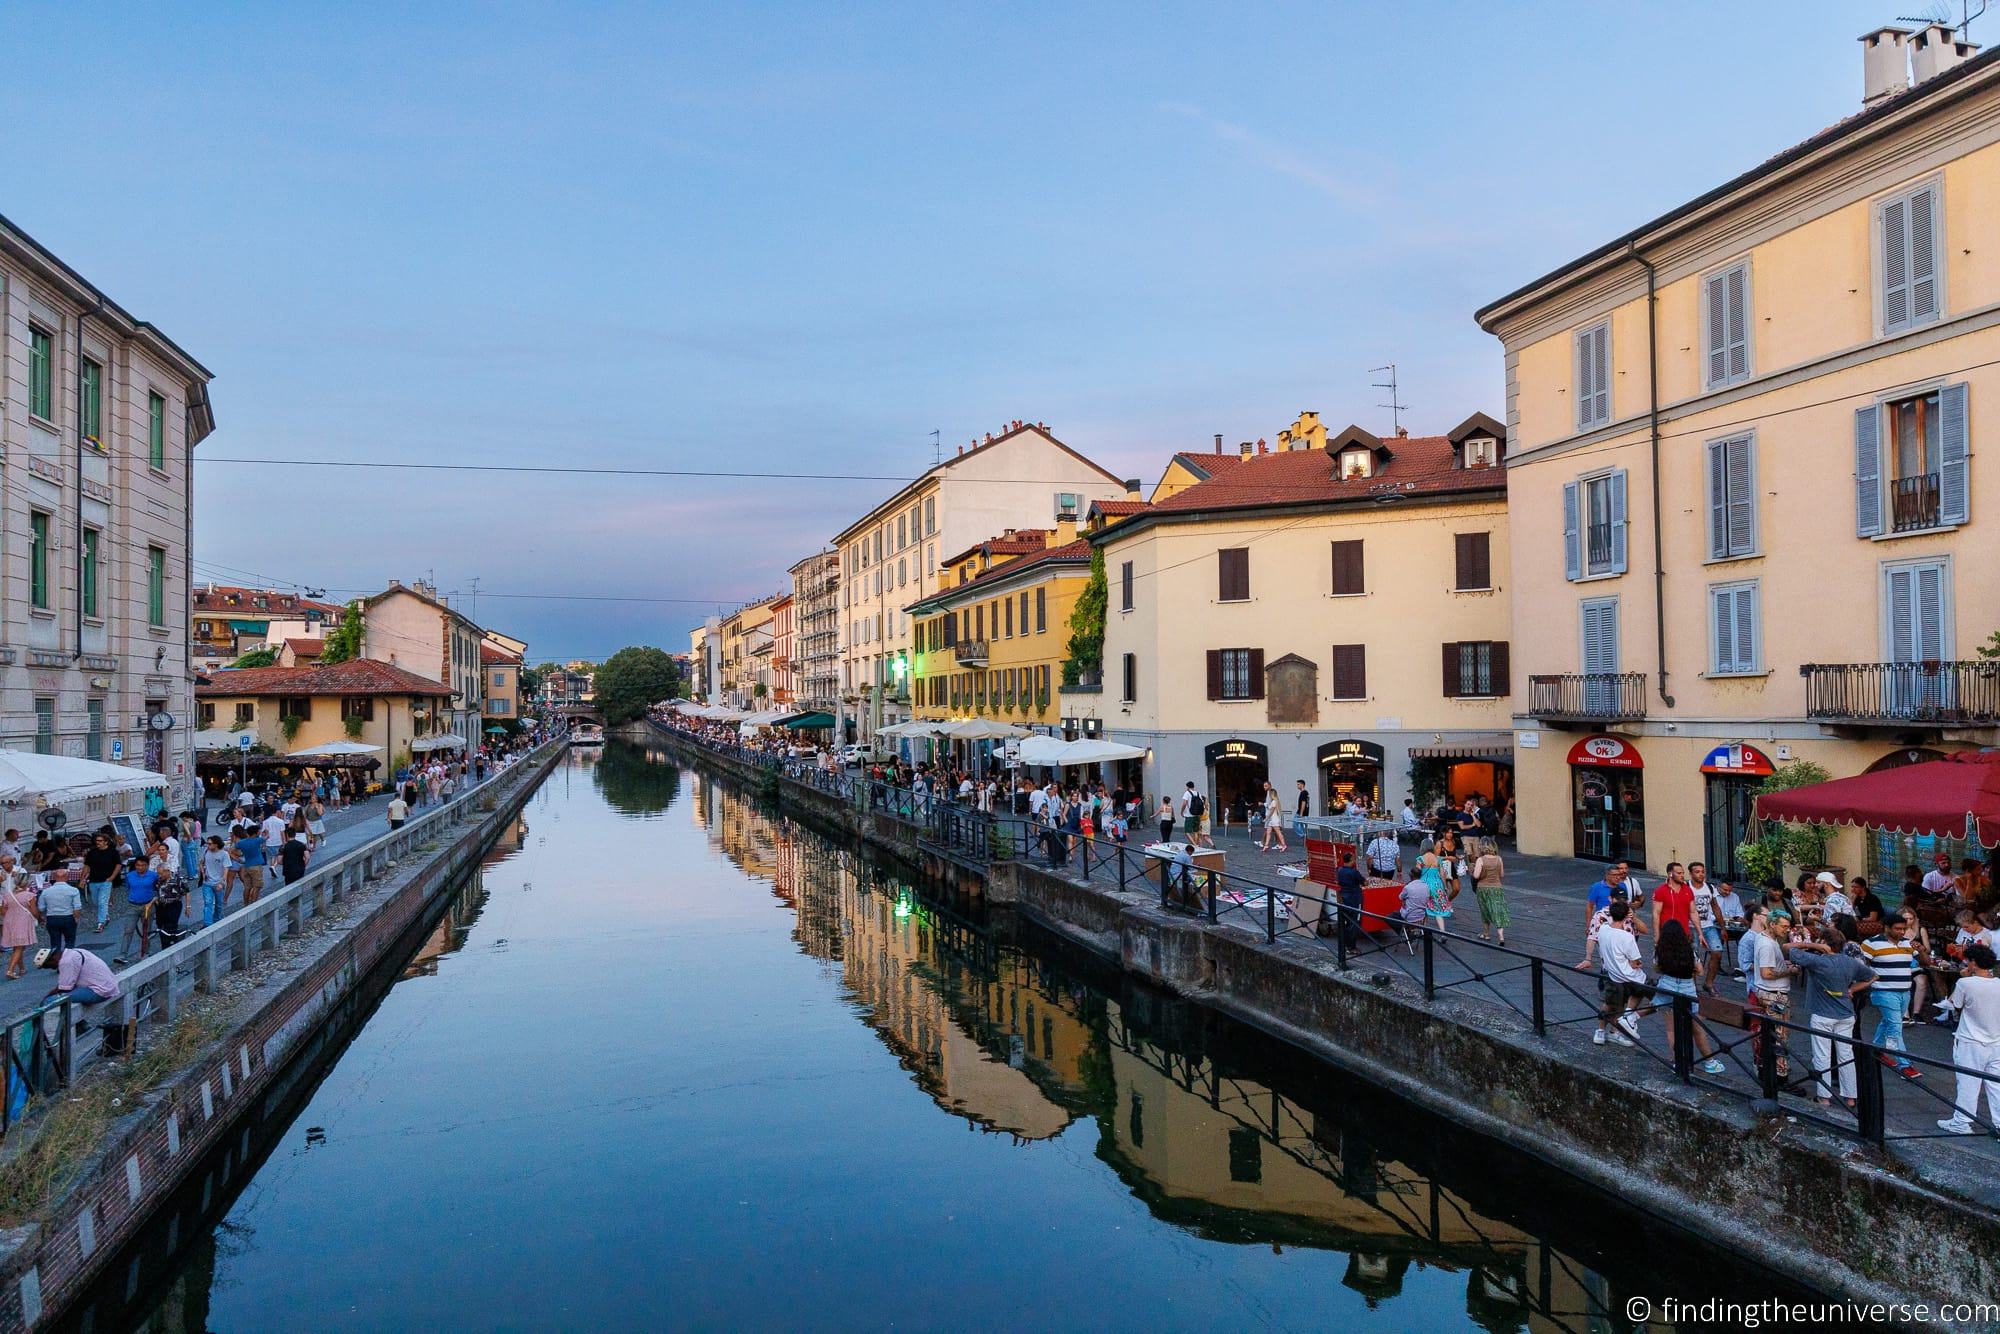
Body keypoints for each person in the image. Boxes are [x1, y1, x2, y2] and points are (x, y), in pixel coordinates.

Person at [1787, 926, 1876, 1109]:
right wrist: (1851, 989)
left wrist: (1813, 944)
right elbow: (1873, 976)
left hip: (1822, 1014)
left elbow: (1788, 948)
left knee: (1822, 1056)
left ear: (1824, 943)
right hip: (1846, 1014)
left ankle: (1824, 1096)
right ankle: (1851, 1097)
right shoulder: (1850, 962)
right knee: (1846, 1055)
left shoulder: (1817, 961)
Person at [1937, 943, 2000, 1134]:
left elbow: (1955, 1004)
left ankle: (1962, 1121)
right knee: (1996, 1085)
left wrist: (1963, 978)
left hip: (1970, 1040)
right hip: (1996, 1040)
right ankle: (1998, 1123)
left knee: (1967, 1083)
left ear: (1973, 962)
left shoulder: (1965, 983)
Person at [1654, 920, 1725, 1074]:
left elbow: (1657, 968)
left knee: (1672, 1030)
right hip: (1687, 987)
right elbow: (1700, 971)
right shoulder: (1689, 950)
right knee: (1697, 1028)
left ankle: (1677, 1061)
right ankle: (1709, 1061)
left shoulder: (1660, 950)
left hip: (1668, 985)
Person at [1858, 915, 1921, 1082]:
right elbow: (1861, 966)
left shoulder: (1907, 943)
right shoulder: (1870, 944)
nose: (1901, 932)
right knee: (1895, 1027)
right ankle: (1904, 1064)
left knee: (1888, 1022)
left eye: (1904, 929)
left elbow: (1925, 961)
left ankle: (1876, 1050)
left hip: (1904, 992)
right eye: (1898, 929)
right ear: (1887, 927)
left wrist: (1920, 950)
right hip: (1884, 992)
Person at [1589, 900, 1646, 1047]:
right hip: (1629, 977)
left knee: (1610, 1004)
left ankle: (1604, 1031)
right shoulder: (1627, 937)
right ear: (1627, 915)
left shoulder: (1603, 930)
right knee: (1653, 995)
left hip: (1611, 974)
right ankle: (1629, 1018)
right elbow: (1636, 962)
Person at [37, 946, 120, 1007]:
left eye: (48, 966)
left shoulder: (66, 962)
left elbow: (64, 989)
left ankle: (49, 1029)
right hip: (110, 986)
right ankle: (81, 1025)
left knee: (48, 1002)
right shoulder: (77, 951)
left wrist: (46, 997)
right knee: (66, 998)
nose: (51, 968)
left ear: (52, 959)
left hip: (100, 991)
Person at [115, 857, 160, 964]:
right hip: (133, 906)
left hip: (147, 905)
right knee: (128, 930)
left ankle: (145, 952)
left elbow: (157, 890)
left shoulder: (153, 876)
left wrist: (152, 901)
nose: (140, 867)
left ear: (147, 865)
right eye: (138, 865)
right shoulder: (130, 876)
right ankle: (122, 954)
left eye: (142, 865)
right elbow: (128, 888)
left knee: (146, 931)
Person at [1470, 838, 1508, 945]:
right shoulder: (1499, 859)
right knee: (1498, 911)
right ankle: (1501, 936)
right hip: (1497, 888)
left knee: (1485, 910)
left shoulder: (1481, 860)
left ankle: (1486, 934)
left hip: (1483, 888)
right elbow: (1501, 875)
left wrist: (1472, 871)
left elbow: (1476, 875)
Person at [82, 832, 120, 936]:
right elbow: (86, 865)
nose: (97, 843)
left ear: (106, 842)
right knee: (95, 901)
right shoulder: (92, 852)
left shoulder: (113, 852)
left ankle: (100, 923)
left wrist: (112, 877)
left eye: (100, 841)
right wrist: (82, 879)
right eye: (97, 841)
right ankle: (106, 916)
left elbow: (118, 865)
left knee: (102, 901)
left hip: (106, 881)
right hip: (93, 880)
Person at [0, 873, 37, 980]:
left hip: (9, 921)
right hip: (22, 920)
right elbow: (34, 911)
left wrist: (12, 913)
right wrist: (40, 918)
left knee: (17, 946)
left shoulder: (7, 895)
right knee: (20, 946)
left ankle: (21, 968)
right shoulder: (29, 895)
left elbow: (2, 910)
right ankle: (10, 970)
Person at [36, 873, 81, 954]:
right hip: (68, 917)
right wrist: (76, 918)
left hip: (52, 918)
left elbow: (41, 908)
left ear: (54, 877)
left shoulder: (46, 891)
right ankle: (68, 960)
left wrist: (41, 918)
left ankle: (57, 962)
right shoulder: (73, 890)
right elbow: (77, 907)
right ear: (67, 877)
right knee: (70, 942)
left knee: (55, 943)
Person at [1334, 849, 1366, 947]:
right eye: (1354, 860)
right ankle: (1351, 946)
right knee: (1354, 923)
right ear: (1351, 860)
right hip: (1354, 899)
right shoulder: (1354, 872)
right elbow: (1363, 882)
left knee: (1346, 921)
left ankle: (1344, 944)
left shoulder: (1339, 870)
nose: (1355, 861)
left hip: (1344, 898)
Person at [199, 834, 231, 926]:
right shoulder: (206, 851)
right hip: (207, 883)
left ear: (216, 844)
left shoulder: (224, 854)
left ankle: (217, 919)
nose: (208, 846)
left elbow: (226, 869)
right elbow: (201, 863)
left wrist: (222, 882)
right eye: (207, 844)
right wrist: (203, 873)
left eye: (210, 844)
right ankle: (207, 924)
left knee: (219, 904)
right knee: (208, 903)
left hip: (218, 883)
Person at [232, 826, 268, 905]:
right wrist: (266, 831)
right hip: (256, 866)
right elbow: (266, 837)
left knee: (247, 887)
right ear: (255, 833)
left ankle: (245, 904)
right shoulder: (257, 840)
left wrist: (238, 859)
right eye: (258, 831)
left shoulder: (241, 842)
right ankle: (253, 904)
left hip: (246, 866)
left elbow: (232, 850)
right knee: (257, 886)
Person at [1259, 783, 1287, 853]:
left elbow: (1271, 812)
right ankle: (1266, 845)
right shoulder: (1273, 802)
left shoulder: (1274, 802)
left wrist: (1266, 818)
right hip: (1271, 820)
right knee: (1268, 833)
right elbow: (1269, 808)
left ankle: (1283, 845)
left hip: (1273, 820)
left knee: (1278, 833)